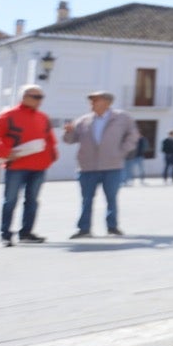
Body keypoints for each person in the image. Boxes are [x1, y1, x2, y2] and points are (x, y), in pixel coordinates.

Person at [0, 84, 57, 247]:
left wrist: (51, 157)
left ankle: (26, 233)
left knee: (32, 201)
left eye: (41, 97)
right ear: (24, 97)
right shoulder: (8, 116)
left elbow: (49, 139)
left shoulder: (43, 117)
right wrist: (5, 152)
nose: (39, 101)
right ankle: (5, 235)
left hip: (39, 167)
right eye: (35, 97)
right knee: (10, 201)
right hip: (16, 166)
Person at [63, 90, 140, 238]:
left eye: (95, 100)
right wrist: (68, 132)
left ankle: (112, 227)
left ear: (107, 103)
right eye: (91, 100)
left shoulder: (122, 118)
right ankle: (84, 229)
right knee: (86, 200)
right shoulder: (83, 120)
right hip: (87, 167)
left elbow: (133, 135)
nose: (91, 103)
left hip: (112, 166)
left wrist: (122, 151)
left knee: (111, 198)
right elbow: (70, 140)